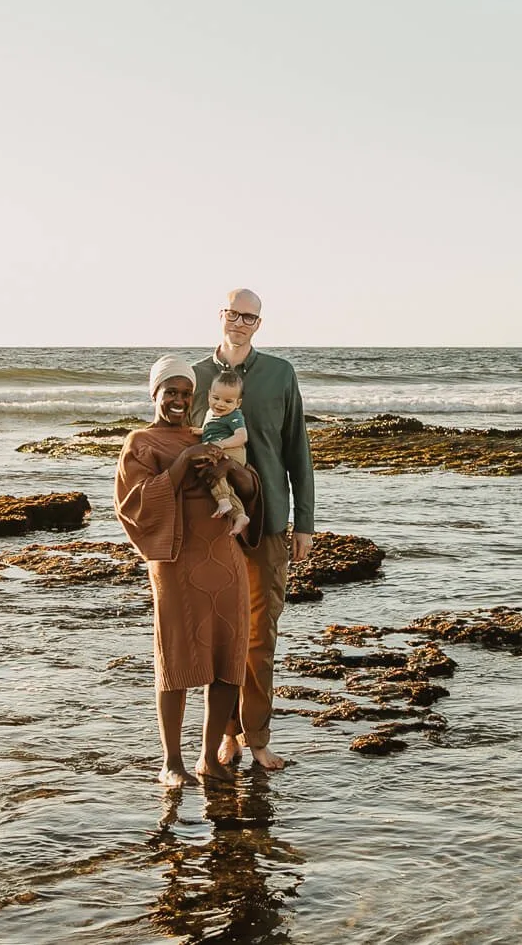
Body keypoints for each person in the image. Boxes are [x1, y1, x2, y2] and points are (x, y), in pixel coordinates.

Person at [116, 353, 264, 789]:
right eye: (171, 392)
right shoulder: (140, 443)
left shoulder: (210, 435)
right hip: (176, 562)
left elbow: (251, 487)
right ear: (155, 394)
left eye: (186, 393)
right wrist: (184, 462)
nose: (179, 400)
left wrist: (230, 467)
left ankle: (208, 758)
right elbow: (134, 504)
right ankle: (171, 762)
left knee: (228, 660)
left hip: (224, 558)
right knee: (177, 660)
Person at [190, 288, 314, 771]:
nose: (239, 322)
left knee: (261, 635)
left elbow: (297, 448)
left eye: (249, 317)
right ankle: (228, 735)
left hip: (270, 523)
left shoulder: (281, 374)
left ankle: (258, 735)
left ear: (258, 324)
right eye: (233, 314)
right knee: (217, 635)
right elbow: (177, 444)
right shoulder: (195, 377)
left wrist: (304, 523)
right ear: (220, 316)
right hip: (213, 523)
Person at [198, 368, 253, 538]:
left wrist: (222, 445)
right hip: (223, 448)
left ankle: (222, 501)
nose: (220, 404)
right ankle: (239, 515)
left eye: (228, 401)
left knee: (213, 470)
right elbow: (212, 430)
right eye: (216, 398)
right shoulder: (210, 413)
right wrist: (199, 431)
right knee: (228, 487)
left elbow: (242, 436)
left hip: (233, 450)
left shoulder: (234, 415)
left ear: (238, 403)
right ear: (209, 395)